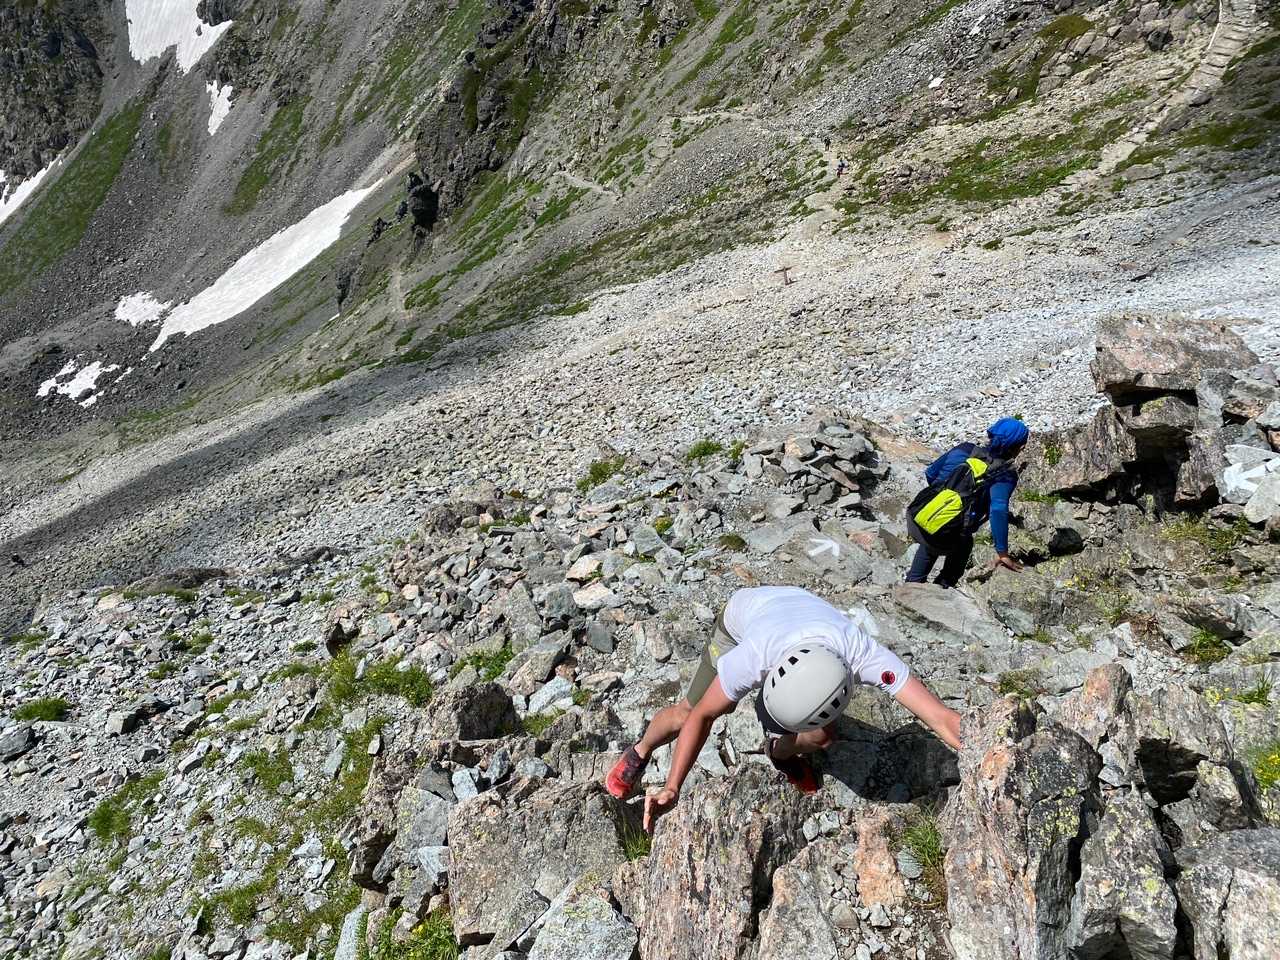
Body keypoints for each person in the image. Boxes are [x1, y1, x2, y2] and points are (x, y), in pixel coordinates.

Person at [604, 586, 962, 832]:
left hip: (798, 611)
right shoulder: (752, 657)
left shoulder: (862, 653)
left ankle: (779, 752)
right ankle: (641, 750)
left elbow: (941, 718)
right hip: (743, 617)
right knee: (688, 710)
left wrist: (983, 747)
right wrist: (672, 787)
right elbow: (703, 717)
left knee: (821, 737)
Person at [905, 416, 1029, 589]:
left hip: (918, 517)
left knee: (935, 534)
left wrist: (943, 501)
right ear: (1019, 447)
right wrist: (1002, 553)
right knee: (964, 542)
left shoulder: (963, 449)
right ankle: (943, 587)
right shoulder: (1005, 474)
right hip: (947, 535)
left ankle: (911, 585)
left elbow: (930, 474)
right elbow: (997, 509)